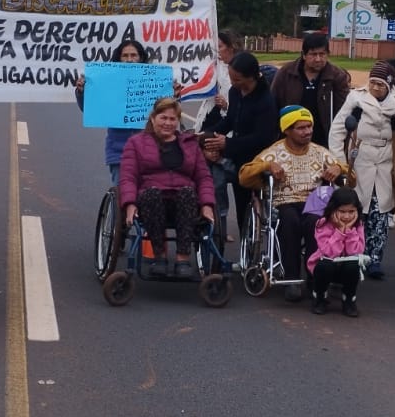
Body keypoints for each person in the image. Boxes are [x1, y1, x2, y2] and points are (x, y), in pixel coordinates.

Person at [238, 105, 354, 302]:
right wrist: (266, 166)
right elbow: (243, 176)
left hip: (314, 201)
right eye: (300, 128)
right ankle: (292, 278)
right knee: (289, 221)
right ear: (287, 130)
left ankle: (314, 276)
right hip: (283, 201)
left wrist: (338, 167)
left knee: (314, 223)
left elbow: (351, 180)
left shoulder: (319, 152)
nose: (307, 131)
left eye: (309, 126)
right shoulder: (273, 152)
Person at [328, 59, 395, 280]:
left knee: (380, 213)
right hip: (359, 160)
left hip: (386, 163)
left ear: (389, 84)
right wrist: (340, 163)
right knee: (355, 212)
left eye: (380, 84)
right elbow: (338, 129)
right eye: (373, 83)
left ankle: (374, 259)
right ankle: (352, 255)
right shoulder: (356, 99)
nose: (375, 88)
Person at [118, 96, 216, 279]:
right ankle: (159, 257)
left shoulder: (190, 144)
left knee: (188, 193)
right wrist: (129, 204)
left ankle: (183, 259)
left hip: (183, 201)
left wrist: (207, 204)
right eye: (163, 118)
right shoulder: (136, 143)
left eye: (172, 119)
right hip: (151, 200)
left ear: (178, 121)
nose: (168, 123)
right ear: (153, 118)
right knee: (152, 194)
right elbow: (128, 177)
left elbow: (203, 177)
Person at [199, 50, 279, 237]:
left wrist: (227, 144)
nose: (233, 83)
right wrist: (208, 135)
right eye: (231, 78)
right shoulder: (235, 92)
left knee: (262, 205)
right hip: (237, 156)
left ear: (252, 77)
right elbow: (230, 121)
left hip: (260, 158)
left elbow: (263, 137)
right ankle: (244, 246)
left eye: (238, 80)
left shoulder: (265, 101)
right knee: (241, 204)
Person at [75, 38, 152, 184]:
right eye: (125, 56)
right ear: (119, 59)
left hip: (150, 152)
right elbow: (91, 109)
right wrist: (82, 92)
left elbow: (167, 112)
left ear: (141, 58)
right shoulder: (108, 82)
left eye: (133, 55)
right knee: (124, 197)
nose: (130, 60)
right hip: (120, 153)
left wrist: (174, 94)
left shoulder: (153, 82)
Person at [269, 31, 353, 130]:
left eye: (322, 54)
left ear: (328, 54)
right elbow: (273, 105)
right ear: (303, 55)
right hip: (291, 137)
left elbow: (344, 112)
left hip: (324, 139)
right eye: (313, 54)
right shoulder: (286, 73)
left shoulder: (337, 76)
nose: (318, 59)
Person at [308, 186, 366, 317]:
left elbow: (356, 251)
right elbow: (329, 252)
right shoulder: (322, 224)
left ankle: (349, 300)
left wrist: (350, 231)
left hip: (345, 269)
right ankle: (320, 297)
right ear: (333, 210)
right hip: (325, 267)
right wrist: (340, 231)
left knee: (353, 264)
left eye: (351, 211)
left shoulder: (358, 225)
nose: (347, 216)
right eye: (342, 211)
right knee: (325, 265)